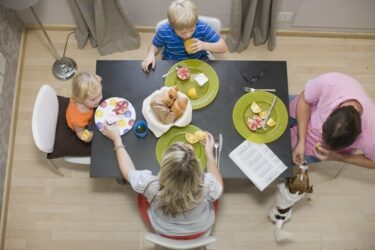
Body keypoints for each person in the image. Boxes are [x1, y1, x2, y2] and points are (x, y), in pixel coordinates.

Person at [101, 122, 223, 238]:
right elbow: (219, 186)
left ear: (164, 169)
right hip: (201, 229)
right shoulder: (207, 185)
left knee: (140, 196)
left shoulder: (150, 185)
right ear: (197, 170)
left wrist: (117, 139)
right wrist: (210, 155)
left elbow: (128, 172)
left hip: (163, 229)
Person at [289, 72, 375, 169]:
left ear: (359, 134)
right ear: (330, 113)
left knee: (284, 159)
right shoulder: (331, 83)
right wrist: (301, 141)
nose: (324, 144)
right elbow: (304, 100)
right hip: (301, 110)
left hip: (311, 147)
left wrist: (339, 157)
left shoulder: (372, 136)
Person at [141, 0, 228, 72]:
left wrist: (204, 45)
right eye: (183, 33)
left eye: (191, 30)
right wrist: (150, 54)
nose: (188, 35)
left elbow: (223, 47)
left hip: (199, 61)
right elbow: (155, 46)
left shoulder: (202, 27)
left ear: (195, 22)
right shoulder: (164, 30)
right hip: (172, 62)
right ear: (172, 26)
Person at [66, 72, 103, 142]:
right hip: (80, 126)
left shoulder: (79, 94)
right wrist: (87, 138)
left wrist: (96, 80)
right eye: (93, 99)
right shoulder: (78, 118)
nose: (99, 100)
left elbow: (89, 81)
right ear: (80, 99)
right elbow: (80, 132)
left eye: (100, 94)